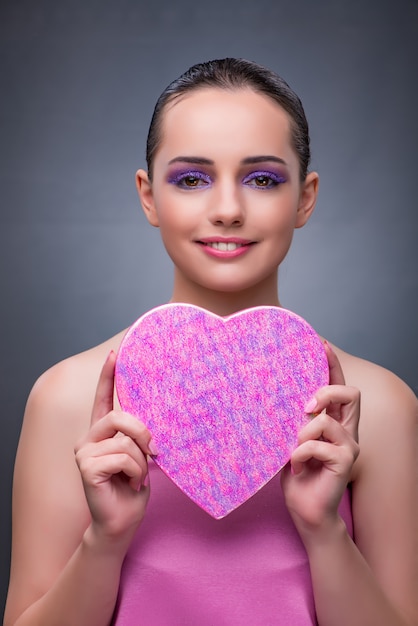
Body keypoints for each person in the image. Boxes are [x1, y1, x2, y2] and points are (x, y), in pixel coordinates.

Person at [4, 58, 417, 626]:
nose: (227, 210)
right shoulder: (65, 399)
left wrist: (325, 532)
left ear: (305, 197)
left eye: (263, 179)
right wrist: (105, 540)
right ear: (148, 196)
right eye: (192, 179)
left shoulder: (382, 407)